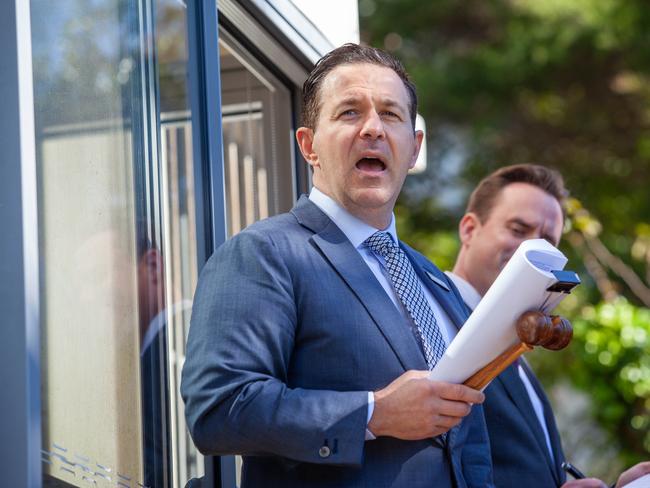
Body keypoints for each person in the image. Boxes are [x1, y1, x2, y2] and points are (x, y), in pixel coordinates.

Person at [181, 43, 494, 487]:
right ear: (309, 146)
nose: (373, 129)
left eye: (390, 114)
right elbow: (218, 408)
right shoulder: (265, 253)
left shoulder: (434, 283)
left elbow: (469, 450)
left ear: (413, 145)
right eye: (349, 113)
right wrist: (374, 412)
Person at [447, 163, 649, 488]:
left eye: (547, 240)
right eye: (517, 229)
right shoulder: (428, 317)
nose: (533, 250)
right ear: (470, 229)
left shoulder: (518, 345)